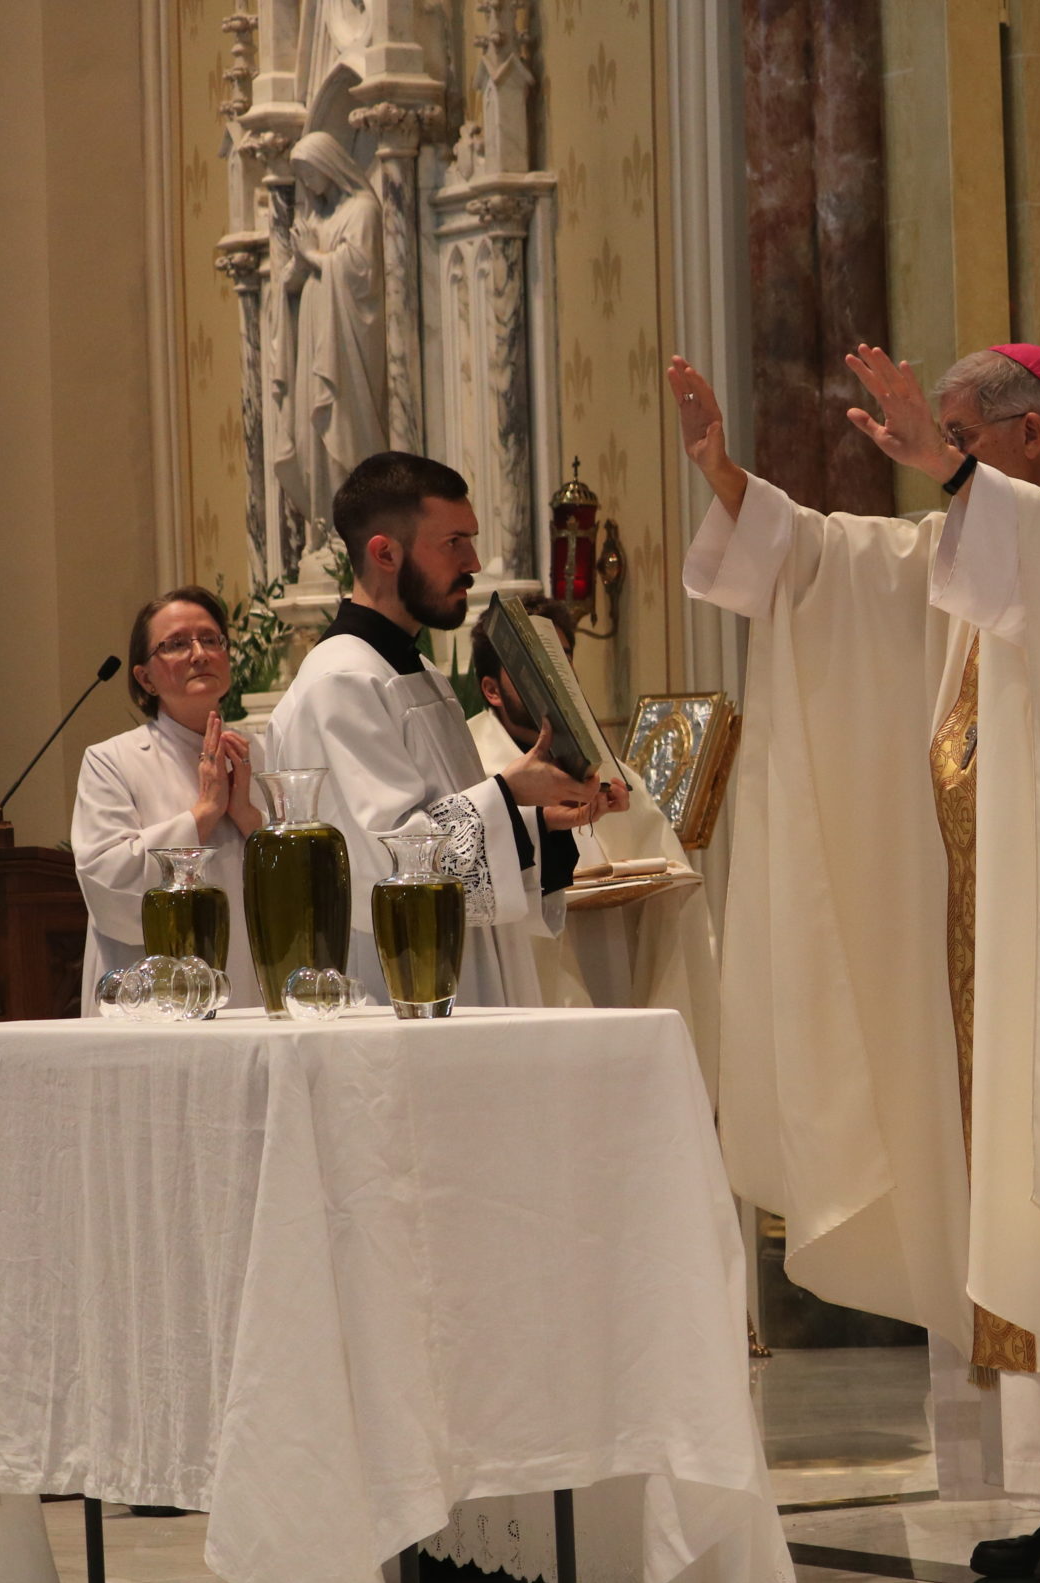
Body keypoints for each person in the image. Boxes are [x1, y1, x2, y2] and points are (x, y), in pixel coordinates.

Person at [671, 340, 1040, 1583]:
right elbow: (833, 568)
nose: (945, 474)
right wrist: (728, 480)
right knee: (1009, 1203)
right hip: (986, 948)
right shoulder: (986, 539)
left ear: (1032, 437)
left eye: (965, 442)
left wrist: (954, 480)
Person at [268, 451, 619, 1011]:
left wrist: (545, 822)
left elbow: (450, 824)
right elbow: (390, 863)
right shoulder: (340, 682)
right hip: (394, 986)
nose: (474, 561)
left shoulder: (419, 673)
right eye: (454, 542)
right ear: (385, 552)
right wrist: (511, 793)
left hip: (462, 965)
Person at [466, 600, 722, 1075]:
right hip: (535, 982)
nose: (554, 683)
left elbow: (670, 866)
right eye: (536, 670)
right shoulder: (472, 767)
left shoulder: (606, 768)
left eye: (562, 663)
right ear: (492, 689)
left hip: (619, 964)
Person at [72, 587, 266, 1007]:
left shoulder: (258, 753)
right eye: (177, 644)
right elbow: (106, 882)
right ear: (145, 678)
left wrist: (249, 819)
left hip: (246, 982)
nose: (199, 653)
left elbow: (295, 890)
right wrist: (203, 815)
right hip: (148, 989)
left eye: (211, 639)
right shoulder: (113, 761)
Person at [268, 131, 385, 537]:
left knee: (341, 421)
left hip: (346, 339)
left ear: (329, 165)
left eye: (309, 172)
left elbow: (362, 273)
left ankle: (353, 529)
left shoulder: (364, 210)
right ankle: (326, 528)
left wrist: (315, 257)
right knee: (312, 433)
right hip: (315, 334)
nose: (308, 183)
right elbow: (294, 285)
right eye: (300, 175)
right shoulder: (317, 218)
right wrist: (297, 271)